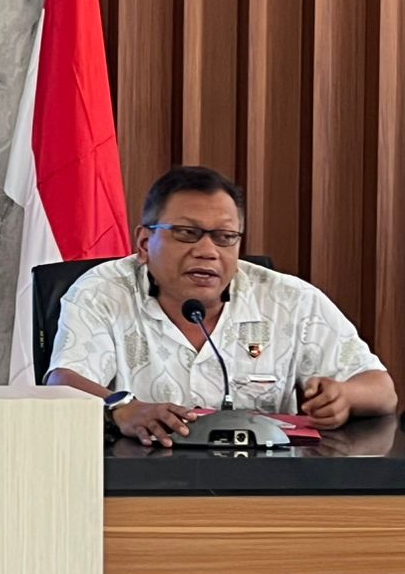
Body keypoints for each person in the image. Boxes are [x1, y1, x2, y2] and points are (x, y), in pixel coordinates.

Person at [47, 165, 397, 446]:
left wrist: (344, 396)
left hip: (264, 488)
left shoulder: (288, 300)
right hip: (140, 482)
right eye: (186, 233)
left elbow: (382, 390)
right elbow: (63, 382)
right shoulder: (103, 292)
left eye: (225, 237)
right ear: (144, 242)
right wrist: (122, 407)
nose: (207, 251)